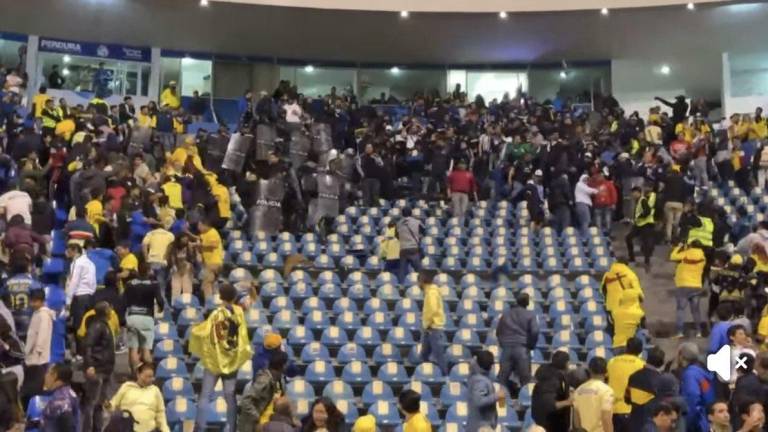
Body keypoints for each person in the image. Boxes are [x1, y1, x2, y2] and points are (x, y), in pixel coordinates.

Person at [190, 283, 251, 432]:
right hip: (231, 362)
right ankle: (232, 429)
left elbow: (204, 332)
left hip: (214, 362)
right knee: (230, 397)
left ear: (221, 297)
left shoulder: (216, 314)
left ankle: (199, 428)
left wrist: (194, 329)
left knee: (205, 396)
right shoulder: (239, 312)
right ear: (235, 297)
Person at [124, 260, 165, 371]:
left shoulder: (129, 284)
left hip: (132, 317)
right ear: (148, 271)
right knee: (146, 350)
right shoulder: (154, 284)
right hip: (147, 318)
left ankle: (134, 374)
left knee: (133, 348)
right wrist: (161, 308)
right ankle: (148, 373)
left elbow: (124, 301)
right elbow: (160, 300)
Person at [81, 301, 116, 432]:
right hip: (97, 370)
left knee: (99, 404)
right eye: (109, 308)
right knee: (91, 404)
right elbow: (87, 346)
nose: (111, 310)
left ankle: (97, 429)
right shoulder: (96, 326)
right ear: (105, 311)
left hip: (105, 369)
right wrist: (90, 365)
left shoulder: (104, 325)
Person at [627, 347, 680, 432]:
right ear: (662, 362)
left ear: (647, 359)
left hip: (633, 422)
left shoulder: (633, 376)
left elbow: (627, 399)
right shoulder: (660, 381)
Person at [496, 292, 539, 397]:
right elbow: (535, 332)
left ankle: (500, 403)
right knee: (525, 380)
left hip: (507, 349)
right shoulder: (530, 315)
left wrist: (504, 344)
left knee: (502, 378)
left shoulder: (505, 315)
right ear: (527, 303)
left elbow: (498, 332)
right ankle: (527, 401)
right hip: (522, 349)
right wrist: (531, 345)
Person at [107, 362, 170, 432]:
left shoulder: (155, 390)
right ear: (138, 374)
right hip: (127, 428)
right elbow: (113, 404)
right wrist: (108, 405)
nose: (149, 379)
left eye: (151, 377)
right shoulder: (127, 386)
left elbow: (160, 413)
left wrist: (165, 430)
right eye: (146, 376)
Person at [239, 350, 288, 432]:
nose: (287, 366)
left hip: (271, 422)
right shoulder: (263, 380)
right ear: (281, 366)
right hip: (256, 426)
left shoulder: (280, 380)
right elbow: (246, 401)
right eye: (286, 363)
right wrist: (257, 417)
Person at [22, 289, 54, 407]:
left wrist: (36, 354)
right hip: (32, 357)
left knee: (34, 388)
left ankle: (34, 409)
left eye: (35, 301)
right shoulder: (37, 313)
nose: (32, 304)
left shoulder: (44, 315)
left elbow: (42, 336)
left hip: (38, 358)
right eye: (31, 301)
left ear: (41, 301)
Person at [607, 337, 646, 431]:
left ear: (626, 348)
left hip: (613, 409)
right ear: (640, 351)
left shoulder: (612, 362)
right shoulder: (643, 365)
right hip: (633, 411)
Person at [670, 240, 707, 338]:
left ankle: (680, 332)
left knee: (681, 309)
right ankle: (699, 332)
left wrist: (679, 247)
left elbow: (672, 257)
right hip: (696, 286)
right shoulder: (703, 258)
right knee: (695, 310)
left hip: (683, 285)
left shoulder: (685, 254)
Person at [63, 242, 97, 350]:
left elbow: (74, 282)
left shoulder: (77, 263)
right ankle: (89, 350)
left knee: (78, 326)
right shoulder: (90, 263)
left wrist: (68, 300)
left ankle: (80, 352)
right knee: (88, 325)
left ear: (74, 251)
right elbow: (93, 282)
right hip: (90, 296)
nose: (67, 253)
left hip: (79, 297)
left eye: (69, 251)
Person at [678, 342, 715, 432]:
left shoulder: (690, 374)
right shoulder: (701, 371)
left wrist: (688, 424)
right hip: (707, 418)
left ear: (681, 355)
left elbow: (692, 399)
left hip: (697, 423)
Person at [531, 351, 572, 431]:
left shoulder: (550, 375)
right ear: (566, 363)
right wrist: (568, 402)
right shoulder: (552, 380)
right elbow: (549, 404)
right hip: (551, 424)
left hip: (545, 421)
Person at [573, 356, 615, 432]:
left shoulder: (579, 390)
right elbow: (606, 418)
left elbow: (576, 418)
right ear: (606, 372)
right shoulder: (607, 391)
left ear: (589, 370)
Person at [467, 350, 503, 432]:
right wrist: (496, 396)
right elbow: (478, 401)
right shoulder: (480, 381)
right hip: (480, 426)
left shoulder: (477, 374)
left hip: (478, 424)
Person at [419, 270, 447, 375]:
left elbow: (433, 309)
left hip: (433, 328)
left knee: (439, 356)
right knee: (424, 355)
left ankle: (445, 377)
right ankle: (424, 374)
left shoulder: (431, 293)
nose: (418, 285)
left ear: (422, 281)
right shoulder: (430, 292)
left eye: (418, 282)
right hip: (429, 329)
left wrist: (426, 324)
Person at [40, 363, 79, 432]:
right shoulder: (70, 392)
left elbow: (67, 426)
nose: (45, 376)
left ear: (55, 376)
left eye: (48, 373)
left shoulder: (60, 401)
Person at [625, 186, 657, 272]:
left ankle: (647, 261)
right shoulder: (638, 201)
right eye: (632, 193)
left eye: (634, 193)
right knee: (628, 238)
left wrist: (639, 217)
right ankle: (632, 258)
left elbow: (647, 211)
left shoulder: (643, 200)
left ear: (638, 193)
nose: (633, 195)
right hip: (639, 225)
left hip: (646, 225)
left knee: (646, 242)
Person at [194, 218, 224, 300]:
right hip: (208, 263)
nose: (198, 228)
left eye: (199, 225)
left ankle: (209, 303)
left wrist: (199, 245)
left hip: (214, 262)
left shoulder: (213, 232)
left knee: (206, 284)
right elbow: (200, 247)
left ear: (203, 225)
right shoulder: (203, 235)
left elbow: (214, 245)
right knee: (212, 284)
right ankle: (216, 301)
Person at [397, 207, 422, 283]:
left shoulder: (398, 223)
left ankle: (402, 285)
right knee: (418, 269)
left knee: (402, 270)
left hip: (403, 248)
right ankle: (422, 282)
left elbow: (397, 235)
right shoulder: (417, 222)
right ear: (411, 213)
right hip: (413, 248)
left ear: (402, 214)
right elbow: (423, 230)